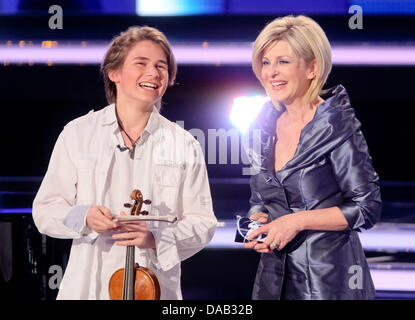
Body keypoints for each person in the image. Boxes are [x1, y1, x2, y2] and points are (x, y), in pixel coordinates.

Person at [32, 26, 217, 300]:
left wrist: (155, 238)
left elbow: (203, 224)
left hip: (154, 289)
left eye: (161, 66)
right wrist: (84, 216)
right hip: (88, 289)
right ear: (114, 73)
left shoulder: (184, 143)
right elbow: (45, 210)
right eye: (141, 63)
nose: (153, 73)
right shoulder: (78, 132)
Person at [242, 15, 382, 299]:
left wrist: (296, 221)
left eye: (283, 62)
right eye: (266, 63)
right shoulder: (262, 125)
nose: (271, 72)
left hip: (328, 282)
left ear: (312, 67)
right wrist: (257, 223)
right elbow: (260, 200)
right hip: (273, 280)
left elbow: (367, 207)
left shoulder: (336, 125)